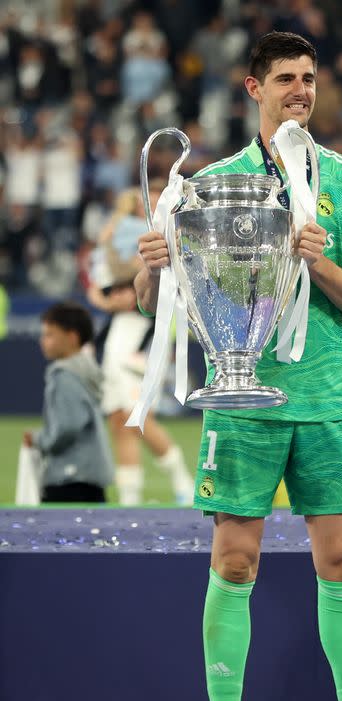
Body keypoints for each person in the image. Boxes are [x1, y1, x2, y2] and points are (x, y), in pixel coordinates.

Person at [135, 31, 342, 701]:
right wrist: (150, 270)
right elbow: (165, 306)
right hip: (242, 400)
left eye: (310, 78)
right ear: (252, 88)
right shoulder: (210, 184)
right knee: (234, 561)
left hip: (326, 397)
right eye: (286, 78)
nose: (301, 89)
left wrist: (315, 257)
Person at [87, 184, 195, 506]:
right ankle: (130, 497)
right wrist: (106, 299)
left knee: (136, 415)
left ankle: (183, 482)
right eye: (143, 200)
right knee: (118, 419)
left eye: (155, 199)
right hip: (120, 331)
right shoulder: (123, 234)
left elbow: (157, 289)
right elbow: (101, 282)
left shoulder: (173, 236)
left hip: (146, 333)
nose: (148, 205)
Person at [23, 301, 114, 503]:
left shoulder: (63, 374)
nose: (42, 341)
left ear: (72, 337)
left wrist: (39, 440)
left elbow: (67, 426)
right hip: (91, 475)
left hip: (69, 478)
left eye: (49, 335)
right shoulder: (88, 369)